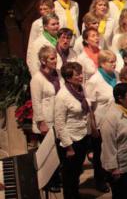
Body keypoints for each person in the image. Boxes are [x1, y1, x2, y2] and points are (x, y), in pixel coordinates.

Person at [54, 62, 93, 199]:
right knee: (69, 175)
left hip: (82, 136)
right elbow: (59, 124)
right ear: (68, 78)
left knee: (76, 172)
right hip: (70, 141)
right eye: (78, 74)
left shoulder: (80, 88)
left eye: (81, 73)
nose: (81, 76)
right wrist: (69, 147)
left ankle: (75, 194)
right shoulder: (62, 96)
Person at [86, 50, 118, 193]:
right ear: (102, 63)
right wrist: (93, 127)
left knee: (113, 152)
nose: (114, 64)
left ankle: (113, 177)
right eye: (111, 62)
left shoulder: (116, 76)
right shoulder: (94, 81)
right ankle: (100, 180)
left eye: (114, 61)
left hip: (116, 122)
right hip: (100, 124)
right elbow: (90, 108)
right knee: (100, 154)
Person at [30, 46, 62, 192]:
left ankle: (57, 178)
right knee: (49, 152)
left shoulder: (57, 74)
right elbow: (36, 102)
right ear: (43, 60)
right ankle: (50, 181)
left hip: (58, 118)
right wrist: (41, 122)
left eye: (55, 57)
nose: (55, 61)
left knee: (58, 151)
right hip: (46, 121)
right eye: (52, 58)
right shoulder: (37, 79)